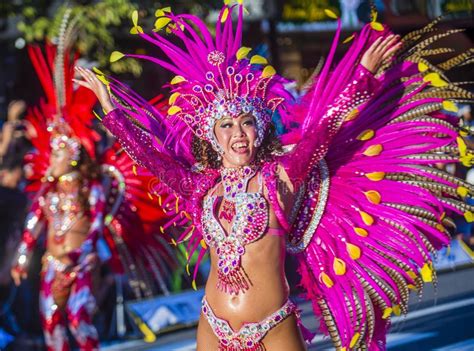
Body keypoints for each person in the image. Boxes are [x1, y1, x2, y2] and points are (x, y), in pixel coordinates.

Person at [76, 4, 473, 350]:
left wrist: (363, 75)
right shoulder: (202, 188)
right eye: (227, 126)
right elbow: (149, 157)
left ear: (261, 128)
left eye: (247, 123)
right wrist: (109, 106)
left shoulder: (279, 178)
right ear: (211, 138)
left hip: (271, 324)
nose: (238, 134)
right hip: (212, 324)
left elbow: (325, 130)